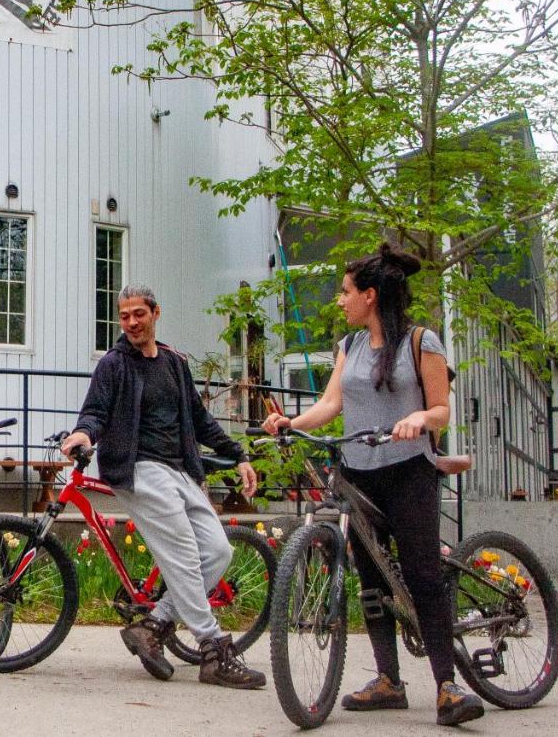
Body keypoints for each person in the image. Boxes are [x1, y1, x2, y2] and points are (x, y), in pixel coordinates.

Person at [262, 242, 484, 727]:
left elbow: (442, 409)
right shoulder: (350, 346)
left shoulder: (422, 342)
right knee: (372, 580)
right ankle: (389, 680)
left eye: (345, 292)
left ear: (370, 295)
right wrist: (292, 423)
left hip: (408, 470)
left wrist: (420, 417)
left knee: (423, 574)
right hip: (359, 472)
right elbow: (331, 405)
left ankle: (448, 686)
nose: (339, 300)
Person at [61, 284, 266, 689]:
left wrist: (238, 453)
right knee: (186, 556)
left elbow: (200, 419)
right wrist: (83, 435)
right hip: (140, 470)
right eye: (124, 316)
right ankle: (214, 649)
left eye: (139, 314)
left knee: (218, 550)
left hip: (181, 470)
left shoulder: (173, 362)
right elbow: (95, 411)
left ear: (156, 313)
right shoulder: (114, 364)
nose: (132, 323)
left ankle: (153, 627)